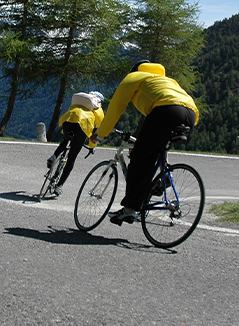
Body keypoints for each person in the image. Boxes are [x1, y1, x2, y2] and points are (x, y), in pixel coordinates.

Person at [90, 61, 199, 224]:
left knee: (139, 161)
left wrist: (100, 135)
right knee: (157, 147)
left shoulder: (134, 77)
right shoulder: (166, 80)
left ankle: (130, 210)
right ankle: (166, 175)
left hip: (165, 110)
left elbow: (116, 108)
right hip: (191, 115)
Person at [46, 91, 105, 196]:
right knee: (71, 158)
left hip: (67, 122)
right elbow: (95, 133)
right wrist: (92, 147)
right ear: (100, 101)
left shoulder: (80, 101)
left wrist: (65, 134)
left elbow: (70, 114)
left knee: (65, 141)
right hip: (81, 127)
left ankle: (54, 156)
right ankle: (59, 186)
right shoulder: (98, 108)